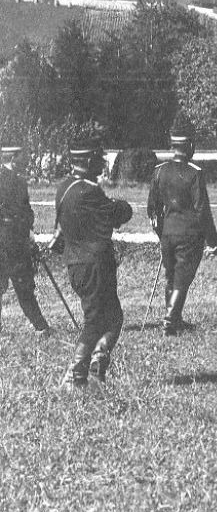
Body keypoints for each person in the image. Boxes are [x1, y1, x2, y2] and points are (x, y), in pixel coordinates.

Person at [55, 137, 133, 387]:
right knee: (98, 320)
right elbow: (119, 213)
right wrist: (120, 205)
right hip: (95, 265)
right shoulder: (89, 191)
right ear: (88, 161)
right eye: (99, 159)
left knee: (112, 316)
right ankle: (75, 374)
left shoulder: (64, 186)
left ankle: (97, 364)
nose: (102, 163)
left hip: (75, 264)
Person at [146, 120, 217, 334]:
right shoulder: (195, 173)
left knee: (171, 276)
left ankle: (175, 318)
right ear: (189, 145)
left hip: (167, 234)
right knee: (182, 278)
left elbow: (152, 209)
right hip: (189, 234)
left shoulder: (159, 171)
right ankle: (170, 320)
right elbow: (202, 211)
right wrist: (212, 241)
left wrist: (161, 233)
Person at [0, 132, 50, 334]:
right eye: (23, 156)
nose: (27, 160)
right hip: (8, 241)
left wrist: (28, 229)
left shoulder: (20, 181)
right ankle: (40, 326)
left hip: (17, 240)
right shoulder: (11, 180)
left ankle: (41, 326)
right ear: (13, 157)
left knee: (23, 286)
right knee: (17, 285)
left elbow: (27, 211)